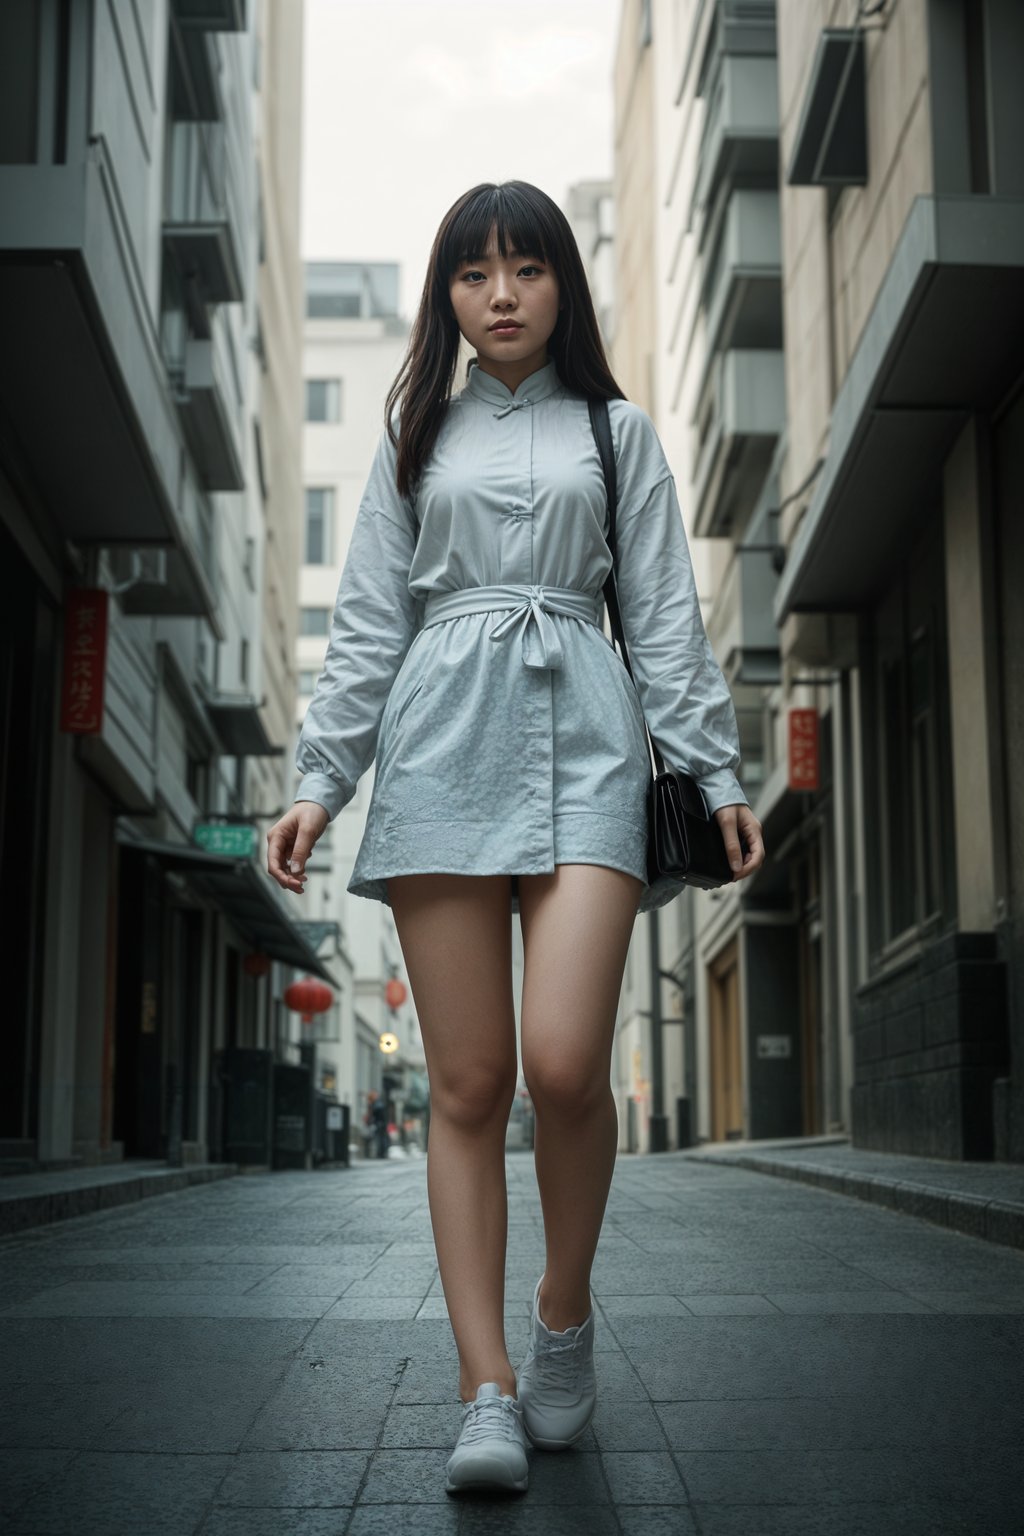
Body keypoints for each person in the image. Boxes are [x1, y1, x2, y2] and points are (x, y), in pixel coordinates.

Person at [267, 180, 764, 1497]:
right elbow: (369, 619)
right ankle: (486, 1386)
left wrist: (711, 765)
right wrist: (320, 778)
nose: (501, 293)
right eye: (475, 272)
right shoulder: (413, 436)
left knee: (564, 1067)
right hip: (439, 748)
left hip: (593, 746)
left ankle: (561, 1309)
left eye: (526, 269)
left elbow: (659, 612)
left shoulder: (617, 430)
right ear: (445, 295)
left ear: (561, 287)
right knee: (473, 1085)